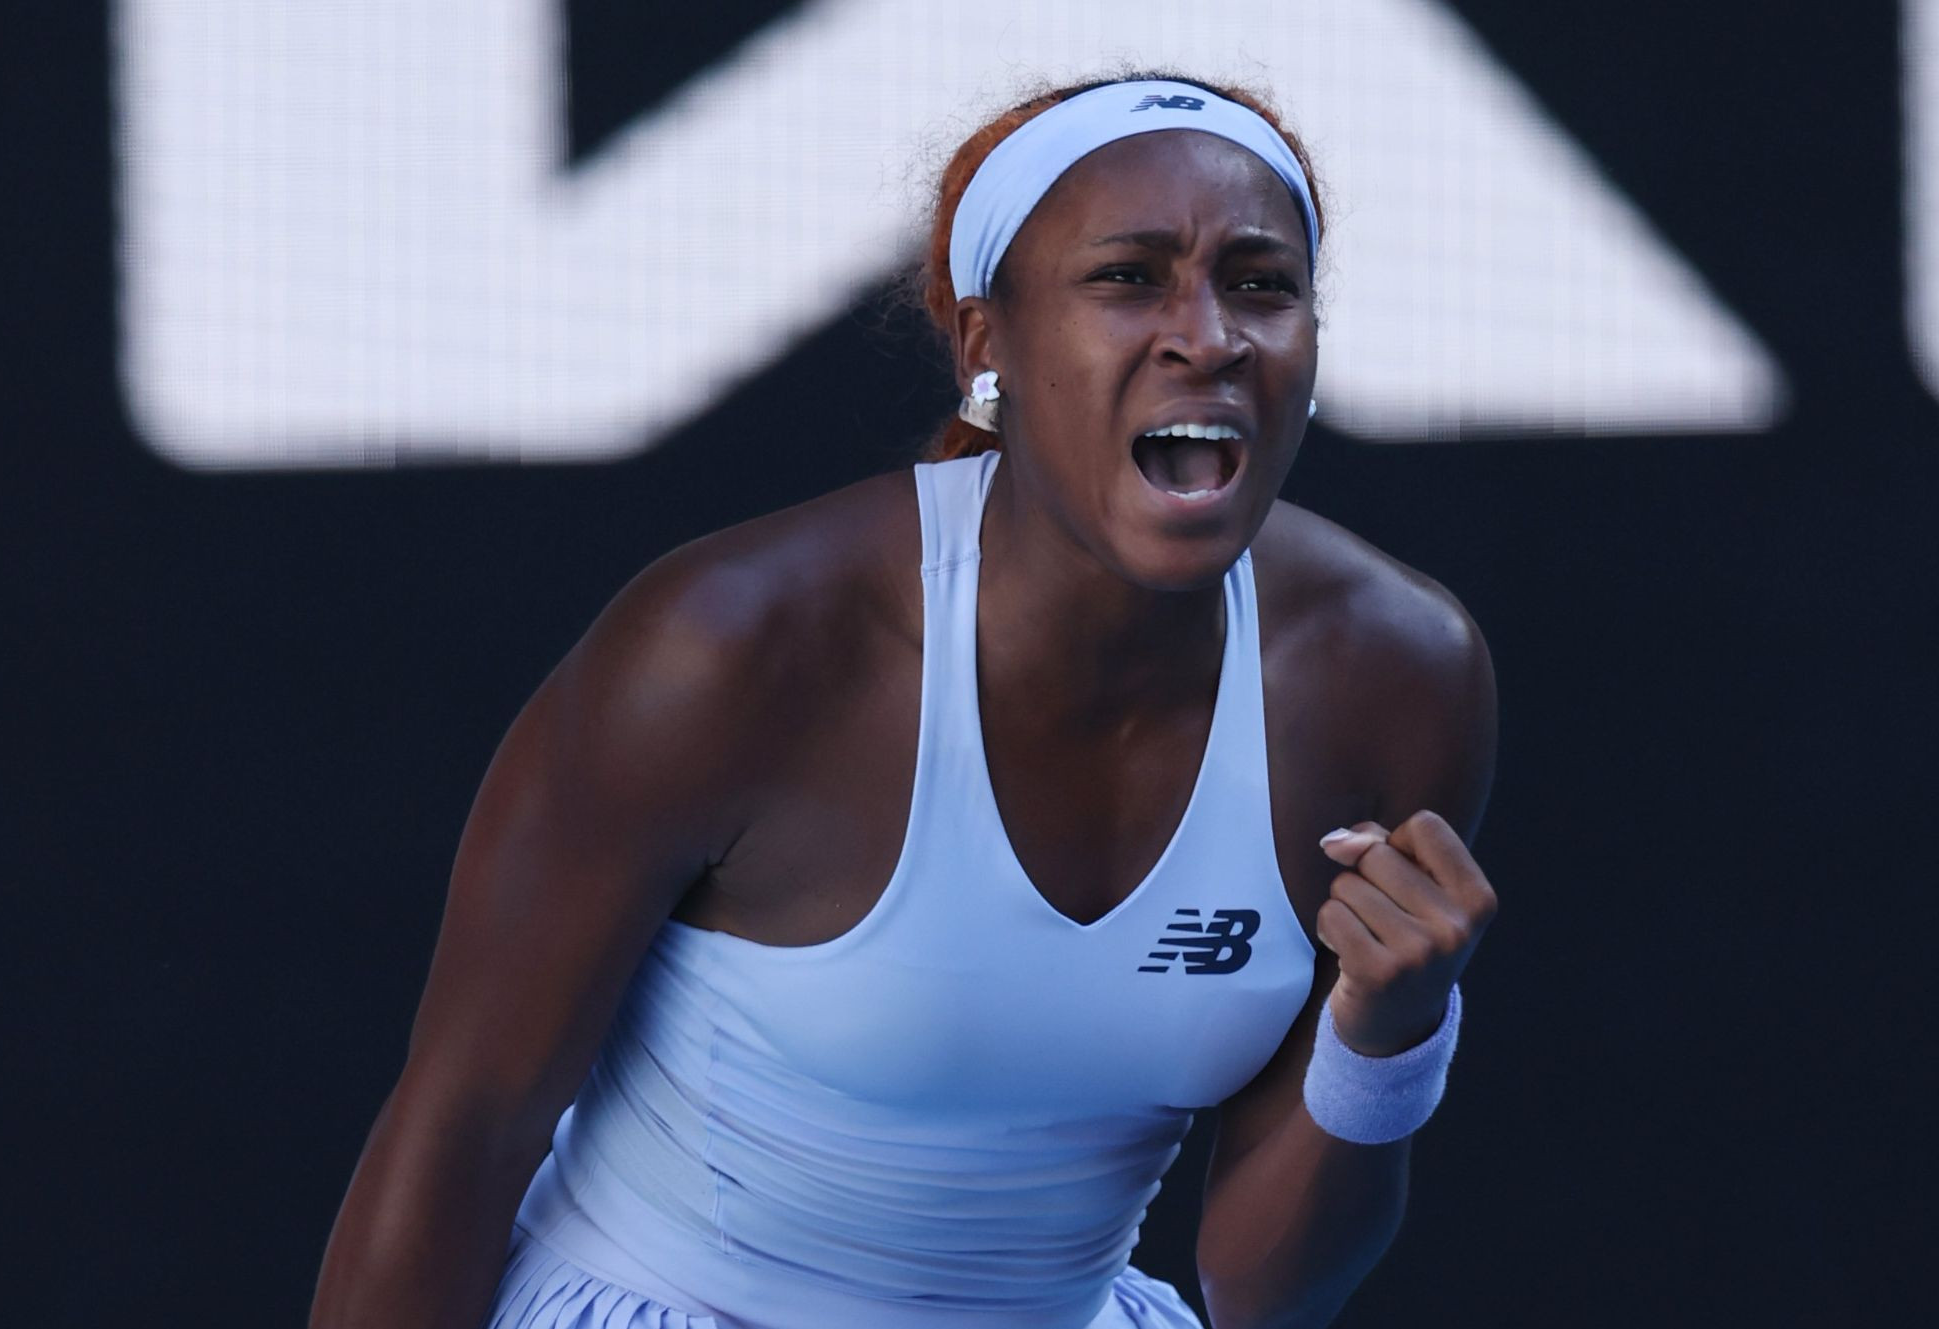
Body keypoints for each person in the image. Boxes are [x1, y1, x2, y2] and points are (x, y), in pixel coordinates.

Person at [308, 73, 1500, 1329]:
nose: (1206, 336)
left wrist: (1388, 1035)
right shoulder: (731, 646)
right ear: (987, 347)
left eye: (1260, 285)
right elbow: (460, 1134)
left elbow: (1260, 1295)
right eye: (1126, 277)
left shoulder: (1394, 676)